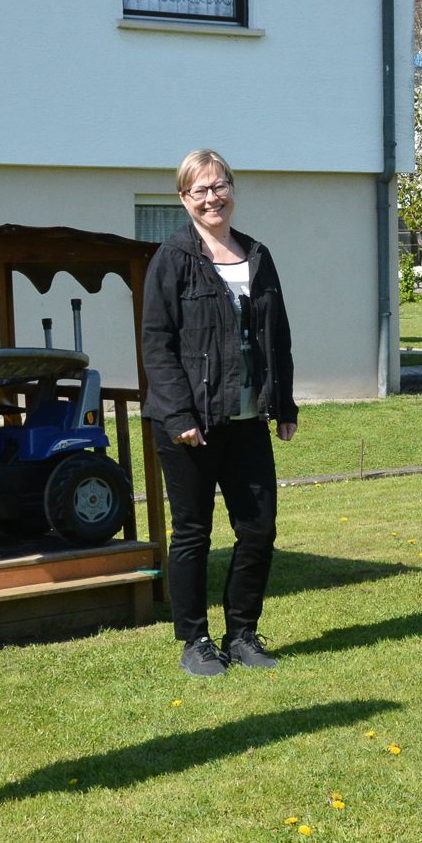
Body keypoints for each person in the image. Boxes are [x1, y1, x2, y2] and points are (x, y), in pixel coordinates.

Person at [142, 150, 298, 676]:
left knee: (258, 530)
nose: (212, 198)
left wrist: (285, 404)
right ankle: (194, 641)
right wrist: (178, 413)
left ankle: (243, 634)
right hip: (192, 424)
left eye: (219, 186)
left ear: (233, 189)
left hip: (248, 418)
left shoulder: (258, 255)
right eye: (199, 190)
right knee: (193, 534)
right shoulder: (172, 258)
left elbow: (278, 337)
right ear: (184, 199)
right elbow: (157, 344)